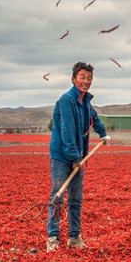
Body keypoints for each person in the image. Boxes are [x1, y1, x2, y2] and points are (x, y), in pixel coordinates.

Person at [47, 61, 110, 251]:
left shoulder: (85, 102)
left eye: (89, 78)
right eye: (82, 77)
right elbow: (67, 131)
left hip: (78, 157)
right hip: (62, 156)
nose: (86, 81)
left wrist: (102, 133)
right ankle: (53, 238)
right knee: (58, 197)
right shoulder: (67, 100)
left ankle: (74, 238)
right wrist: (74, 158)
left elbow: (94, 118)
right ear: (74, 79)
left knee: (76, 199)